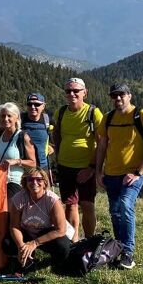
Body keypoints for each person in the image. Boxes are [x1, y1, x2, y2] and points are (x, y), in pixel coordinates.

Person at [95, 83, 143, 270]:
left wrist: (138, 172)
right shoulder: (108, 119)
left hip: (133, 175)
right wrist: (99, 172)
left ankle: (128, 253)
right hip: (111, 174)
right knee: (115, 212)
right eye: (114, 96)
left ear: (129, 95)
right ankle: (118, 248)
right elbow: (102, 147)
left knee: (125, 205)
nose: (118, 99)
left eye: (121, 95)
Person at [52, 77, 103, 241]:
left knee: (87, 204)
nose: (72, 94)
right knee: (70, 205)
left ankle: (89, 242)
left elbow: (101, 142)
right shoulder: (60, 113)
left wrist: (92, 168)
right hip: (65, 165)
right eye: (68, 91)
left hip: (85, 166)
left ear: (85, 93)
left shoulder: (93, 113)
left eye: (76, 91)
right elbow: (57, 134)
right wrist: (59, 156)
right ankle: (73, 243)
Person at [6, 167, 73, 273]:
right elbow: (14, 226)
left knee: (63, 245)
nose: (34, 182)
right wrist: (21, 246)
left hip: (46, 233)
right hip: (26, 232)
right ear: (25, 182)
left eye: (39, 179)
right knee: (7, 243)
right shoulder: (18, 198)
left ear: (45, 182)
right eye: (30, 179)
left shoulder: (52, 200)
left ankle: (56, 264)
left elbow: (61, 230)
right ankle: (24, 259)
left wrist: (35, 243)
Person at [0, 102, 36, 200]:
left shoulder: (23, 136)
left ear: (16, 118)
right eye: (3, 116)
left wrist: (16, 161)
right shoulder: (0, 134)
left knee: (10, 211)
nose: (5, 119)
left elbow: (33, 163)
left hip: (14, 182)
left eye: (9, 116)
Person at [21, 92, 52, 181]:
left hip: (42, 167)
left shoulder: (47, 120)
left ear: (43, 106)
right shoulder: (20, 119)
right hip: (23, 167)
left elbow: (58, 135)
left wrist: (51, 146)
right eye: (29, 104)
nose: (33, 107)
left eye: (37, 104)